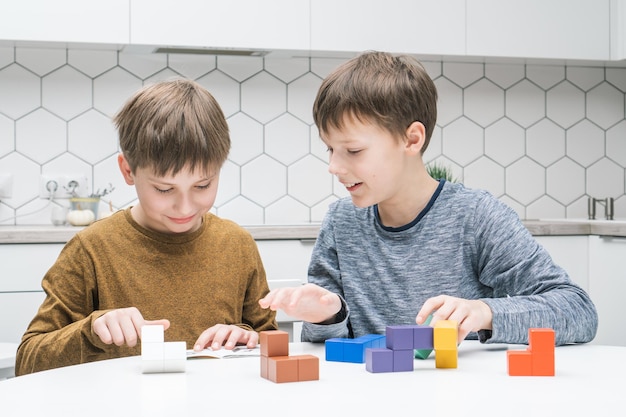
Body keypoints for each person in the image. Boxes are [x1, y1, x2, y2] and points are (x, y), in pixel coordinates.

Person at [259, 51, 598, 347]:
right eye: (330, 149)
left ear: (412, 139)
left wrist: (483, 312)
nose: (334, 166)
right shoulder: (341, 222)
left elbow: (577, 310)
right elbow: (325, 345)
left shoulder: (475, 217)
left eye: (353, 150)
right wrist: (326, 315)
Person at [16, 79, 277, 376]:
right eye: (164, 189)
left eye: (203, 185)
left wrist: (247, 338)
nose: (186, 207)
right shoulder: (91, 249)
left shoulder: (237, 244)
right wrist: (91, 332)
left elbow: (269, 338)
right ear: (128, 171)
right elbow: (28, 360)